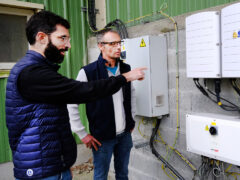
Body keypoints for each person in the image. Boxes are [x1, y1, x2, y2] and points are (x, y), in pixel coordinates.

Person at [5, 11, 146, 180]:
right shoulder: (32, 74)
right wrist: (125, 78)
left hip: (52, 164)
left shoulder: (38, 70)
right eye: (62, 38)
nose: (68, 45)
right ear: (42, 37)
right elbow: (82, 91)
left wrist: (63, 164)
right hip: (42, 169)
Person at [67, 28, 136, 180]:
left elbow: (132, 94)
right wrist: (82, 133)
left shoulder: (125, 69)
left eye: (119, 43)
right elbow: (71, 103)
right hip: (102, 138)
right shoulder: (88, 72)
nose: (118, 47)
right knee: (100, 176)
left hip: (125, 135)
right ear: (100, 46)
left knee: (123, 174)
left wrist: (131, 119)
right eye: (112, 43)